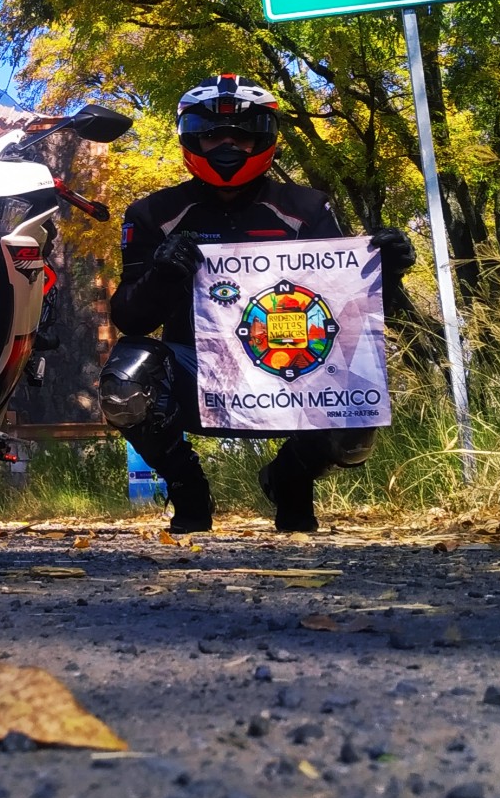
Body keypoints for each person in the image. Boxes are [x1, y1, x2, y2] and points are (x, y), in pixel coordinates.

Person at [98, 74, 417, 533]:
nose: (228, 145)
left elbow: (348, 311)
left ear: (264, 139)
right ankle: (188, 489)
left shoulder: (307, 207)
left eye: (242, 135)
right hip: (197, 369)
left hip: (296, 365)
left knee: (360, 394)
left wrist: (387, 272)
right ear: (192, 139)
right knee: (125, 377)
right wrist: (162, 273)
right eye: (212, 134)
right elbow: (130, 318)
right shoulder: (153, 214)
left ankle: (291, 478)